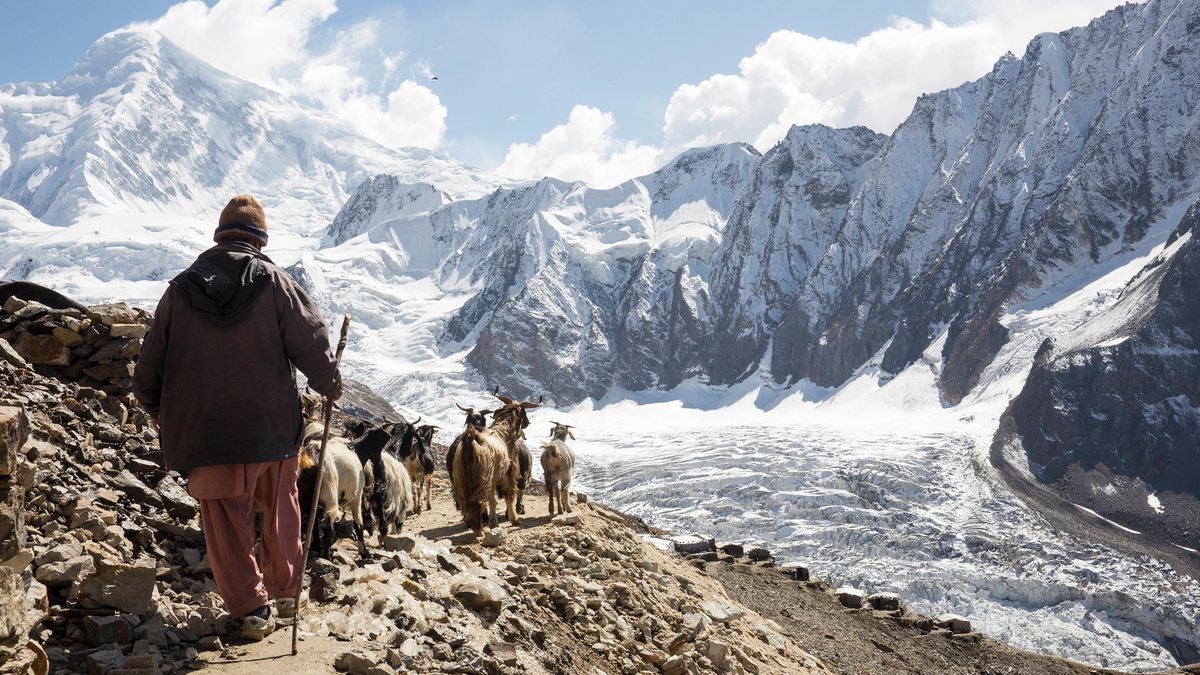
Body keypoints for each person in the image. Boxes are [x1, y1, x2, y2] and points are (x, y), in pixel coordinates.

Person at [133, 194, 342, 640]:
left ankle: (250, 611)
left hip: (207, 435)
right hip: (272, 428)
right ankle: (286, 594)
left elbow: (147, 370)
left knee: (227, 522)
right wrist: (328, 382)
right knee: (282, 509)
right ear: (260, 240)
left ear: (219, 235)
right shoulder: (274, 282)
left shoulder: (181, 289)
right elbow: (310, 337)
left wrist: (162, 414)